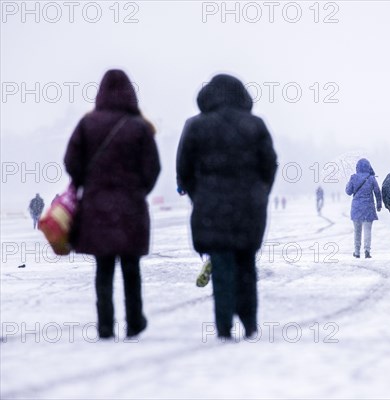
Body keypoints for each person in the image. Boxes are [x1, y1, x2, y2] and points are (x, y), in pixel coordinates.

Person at [176, 74, 277, 340]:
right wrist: (260, 193)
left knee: (221, 266)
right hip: (249, 207)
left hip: (211, 207)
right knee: (246, 264)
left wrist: (199, 196)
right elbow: (269, 165)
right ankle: (250, 322)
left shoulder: (196, 126)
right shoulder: (255, 125)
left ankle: (223, 326)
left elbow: (184, 169)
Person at [64, 69, 161, 339]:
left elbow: (71, 162)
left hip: (96, 208)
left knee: (103, 269)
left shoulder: (88, 124)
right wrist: (138, 189)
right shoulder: (140, 127)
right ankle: (134, 322)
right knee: (131, 269)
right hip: (131, 207)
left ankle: (105, 325)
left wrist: (88, 183)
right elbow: (152, 168)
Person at [345, 158, 382, 258]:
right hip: (368, 207)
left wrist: (347, 184)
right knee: (367, 230)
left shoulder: (353, 177)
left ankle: (357, 252)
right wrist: (379, 205)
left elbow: (348, 192)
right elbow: (377, 192)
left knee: (357, 231)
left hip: (356, 208)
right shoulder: (371, 178)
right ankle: (367, 251)